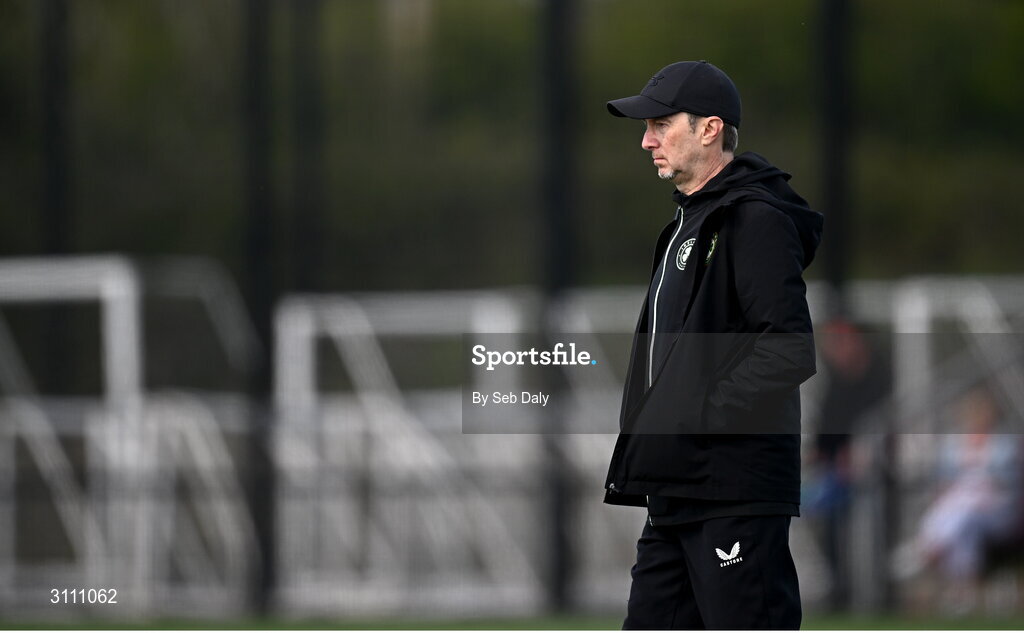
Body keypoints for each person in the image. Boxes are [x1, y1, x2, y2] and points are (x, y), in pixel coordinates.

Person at [603, 60, 823, 629]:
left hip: (734, 494)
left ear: (709, 128)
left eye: (660, 124)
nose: (646, 139)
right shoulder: (685, 222)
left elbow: (788, 348)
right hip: (675, 492)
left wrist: (697, 414)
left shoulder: (754, 219)